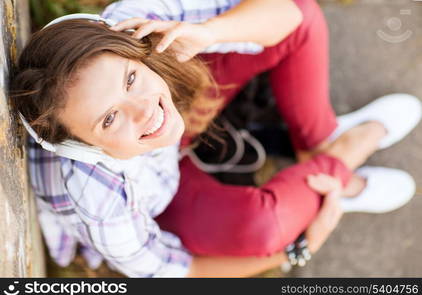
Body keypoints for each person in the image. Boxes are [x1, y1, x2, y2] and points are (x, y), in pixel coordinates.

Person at [10, 0, 421, 277]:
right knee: (263, 228)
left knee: (301, 16)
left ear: (131, 53)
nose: (143, 110)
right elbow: (176, 271)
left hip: (184, 113)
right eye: (109, 118)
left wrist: (209, 32)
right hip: (162, 194)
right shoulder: (96, 196)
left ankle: (323, 151)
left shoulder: (131, 24)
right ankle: (345, 155)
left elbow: (290, 14)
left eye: (131, 77)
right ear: (84, 146)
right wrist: (298, 248)